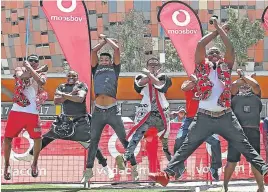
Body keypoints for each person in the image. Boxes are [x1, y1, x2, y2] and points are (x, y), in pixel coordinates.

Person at [148, 19, 268, 189]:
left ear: (220, 57)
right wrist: (215, 31)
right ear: (207, 57)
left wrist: (221, 30)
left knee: (246, 146)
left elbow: (230, 49)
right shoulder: (200, 67)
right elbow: (200, 44)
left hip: (225, 116)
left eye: (216, 54)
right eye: (211, 53)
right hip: (204, 116)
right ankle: (166, 174)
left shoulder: (226, 67)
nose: (214, 55)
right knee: (186, 146)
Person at [15, 70, 114, 180]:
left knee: (92, 146)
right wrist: (70, 95)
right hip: (64, 120)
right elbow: (56, 101)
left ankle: (106, 167)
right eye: (69, 75)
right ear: (66, 77)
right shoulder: (61, 86)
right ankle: (30, 155)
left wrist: (64, 96)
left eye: (74, 76)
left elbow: (79, 99)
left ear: (77, 77)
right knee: (47, 138)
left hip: (80, 120)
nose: (71, 77)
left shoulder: (81, 85)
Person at [81, 34, 129, 183]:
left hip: (113, 110)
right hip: (98, 110)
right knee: (93, 141)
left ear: (110, 61)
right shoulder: (96, 70)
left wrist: (107, 39)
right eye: (102, 60)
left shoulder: (115, 69)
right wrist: (102, 41)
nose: (103, 61)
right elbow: (93, 52)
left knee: (124, 139)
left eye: (106, 60)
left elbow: (116, 49)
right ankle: (88, 172)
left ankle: (130, 165)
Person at [115, 57, 173, 173]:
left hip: (161, 115)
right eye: (150, 64)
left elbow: (161, 86)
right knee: (137, 136)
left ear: (159, 66)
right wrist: (149, 75)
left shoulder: (164, 76)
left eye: (155, 64)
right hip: (147, 114)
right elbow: (139, 84)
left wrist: (150, 75)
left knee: (165, 142)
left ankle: (175, 165)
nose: (153, 66)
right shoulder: (140, 76)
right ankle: (125, 158)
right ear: (146, 66)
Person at [3, 54, 48, 180]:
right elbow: (22, 77)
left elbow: (41, 81)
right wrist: (34, 69)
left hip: (33, 113)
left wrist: (34, 70)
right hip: (17, 111)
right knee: (7, 138)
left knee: (38, 139)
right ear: (27, 62)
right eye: (30, 61)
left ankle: (34, 163)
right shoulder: (20, 69)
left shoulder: (42, 74)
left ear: (37, 63)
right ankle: (6, 165)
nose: (33, 62)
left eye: (35, 61)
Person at [173, 75, 222, 181]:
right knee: (178, 140)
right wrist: (195, 81)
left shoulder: (208, 84)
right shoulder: (189, 82)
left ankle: (214, 168)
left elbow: (212, 91)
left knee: (215, 143)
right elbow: (184, 87)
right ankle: (180, 167)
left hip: (204, 119)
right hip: (189, 118)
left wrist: (199, 81)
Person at [223, 69, 265, 192]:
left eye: (248, 84)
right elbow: (234, 85)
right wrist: (246, 78)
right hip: (236, 132)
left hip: (253, 132)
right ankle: (225, 186)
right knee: (232, 160)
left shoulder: (257, 95)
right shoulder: (234, 96)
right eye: (244, 83)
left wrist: (244, 77)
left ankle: (261, 187)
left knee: (255, 161)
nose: (245, 85)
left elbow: (255, 85)